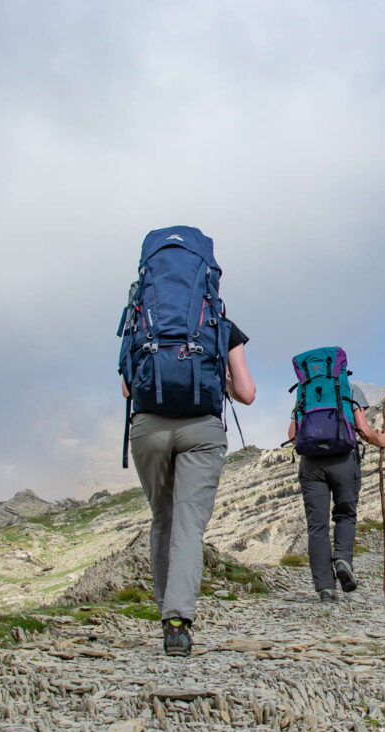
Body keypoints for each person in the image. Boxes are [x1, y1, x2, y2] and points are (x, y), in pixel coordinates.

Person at [117, 226, 255, 656]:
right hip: (202, 429)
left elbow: (127, 388)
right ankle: (179, 621)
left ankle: (164, 616)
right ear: (209, 275)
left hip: (149, 428)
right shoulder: (221, 324)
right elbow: (247, 395)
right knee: (189, 527)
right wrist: (220, 378)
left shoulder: (139, 314)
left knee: (162, 518)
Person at [288, 383, 385, 601]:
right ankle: (343, 560)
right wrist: (380, 440)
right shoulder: (349, 388)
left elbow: (292, 434)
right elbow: (363, 430)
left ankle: (325, 588)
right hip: (344, 460)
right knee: (345, 515)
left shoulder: (305, 390)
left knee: (317, 526)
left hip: (311, 464)